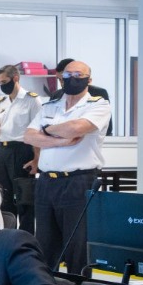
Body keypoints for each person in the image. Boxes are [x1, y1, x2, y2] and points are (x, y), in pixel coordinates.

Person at [23, 59, 112, 274]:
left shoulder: (98, 105)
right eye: (68, 75)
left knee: (77, 246)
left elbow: (76, 127)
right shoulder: (49, 105)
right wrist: (61, 140)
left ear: (89, 80)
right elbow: (28, 136)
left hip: (78, 182)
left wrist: (46, 130)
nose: (72, 79)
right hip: (46, 183)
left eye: (78, 75)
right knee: (44, 244)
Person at [0, 63, 40, 232]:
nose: (2, 86)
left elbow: (37, 130)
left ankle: (27, 236)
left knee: (24, 197)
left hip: (23, 149)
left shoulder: (31, 99)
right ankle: (8, 234)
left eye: (4, 81)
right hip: (3, 150)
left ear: (16, 78)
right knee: (3, 195)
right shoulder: (2, 102)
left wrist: (37, 159)